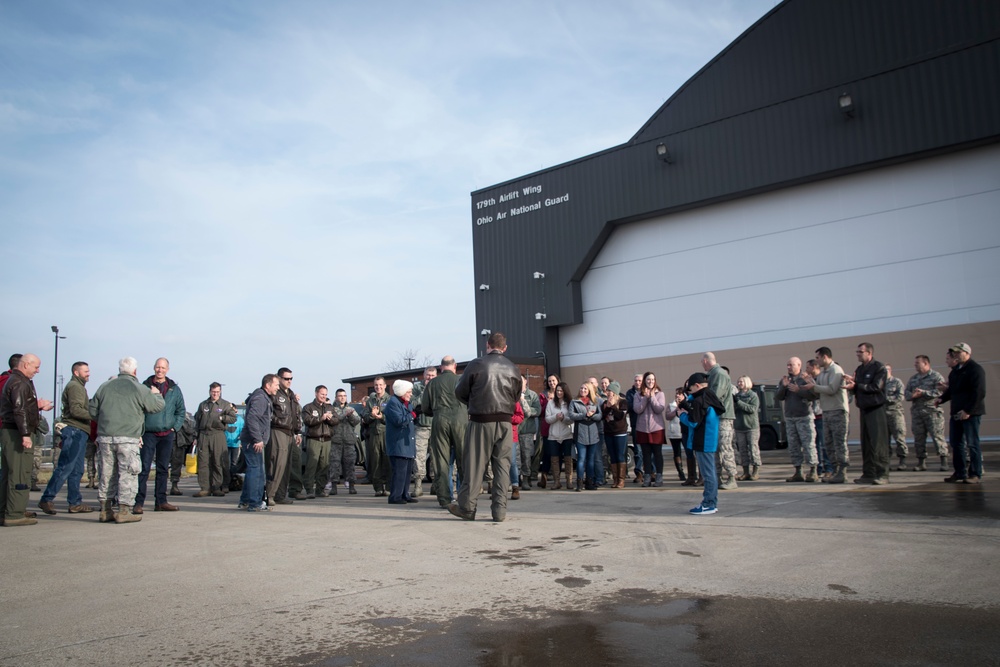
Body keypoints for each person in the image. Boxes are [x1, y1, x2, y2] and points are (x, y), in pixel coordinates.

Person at [449, 332, 521, 522]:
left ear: (487, 345)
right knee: (503, 467)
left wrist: (474, 402)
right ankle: (499, 511)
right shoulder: (513, 368)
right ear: (505, 348)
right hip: (505, 422)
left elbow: (460, 391)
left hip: (481, 420)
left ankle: (467, 508)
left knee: (474, 466)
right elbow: (516, 396)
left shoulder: (477, 364)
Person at [89, 356, 166, 523]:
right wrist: (157, 395)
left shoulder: (104, 387)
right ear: (135, 371)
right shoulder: (138, 388)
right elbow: (156, 407)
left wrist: (105, 422)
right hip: (128, 438)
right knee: (128, 473)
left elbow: (92, 410)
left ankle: (105, 509)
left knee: (106, 473)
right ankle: (124, 510)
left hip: (105, 437)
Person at [0, 354, 54, 527]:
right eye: (36, 367)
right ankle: (15, 513)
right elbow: (19, 410)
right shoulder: (20, 383)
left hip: (11, 431)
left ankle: (6, 510)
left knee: (9, 473)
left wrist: (37, 406)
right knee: (20, 472)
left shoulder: (15, 380)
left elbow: (21, 407)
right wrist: (25, 434)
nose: (38, 371)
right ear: (25, 365)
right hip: (16, 432)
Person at [39, 361, 94, 515]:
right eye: (85, 371)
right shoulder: (75, 387)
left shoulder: (79, 387)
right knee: (66, 466)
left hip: (80, 431)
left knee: (76, 470)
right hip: (74, 430)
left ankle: (75, 503)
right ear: (76, 372)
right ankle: (47, 498)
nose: (88, 373)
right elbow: (76, 410)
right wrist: (95, 416)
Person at [136, 357, 185, 513]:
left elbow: (181, 411)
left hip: (167, 434)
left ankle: (161, 501)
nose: (160, 370)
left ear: (167, 370)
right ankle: (138, 502)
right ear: (154, 368)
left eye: (163, 368)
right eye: (158, 367)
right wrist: (139, 432)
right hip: (149, 433)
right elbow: (138, 410)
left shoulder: (174, 389)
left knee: (163, 469)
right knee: (143, 468)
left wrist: (174, 428)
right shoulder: (144, 387)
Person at [937, 342, 986, 484]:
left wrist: (968, 410)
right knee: (956, 443)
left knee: (972, 443)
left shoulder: (975, 370)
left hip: (970, 413)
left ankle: (975, 473)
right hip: (956, 413)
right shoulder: (956, 371)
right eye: (955, 353)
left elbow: (979, 392)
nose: (956, 355)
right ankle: (960, 472)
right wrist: (941, 399)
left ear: (967, 353)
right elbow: (952, 390)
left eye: (958, 352)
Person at [422, 357, 467, 508]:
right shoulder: (462, 380)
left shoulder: (433, 383)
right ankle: (465, 496)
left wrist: (436, 412)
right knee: (463, 460)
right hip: (461, 421)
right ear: (455, 366)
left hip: (440, 420)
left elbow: (425, 407)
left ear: (441, 368)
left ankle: (444, 499)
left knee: (441, 461)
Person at [843, 342, 889, 485]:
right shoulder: (860, 369)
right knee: (867, 443)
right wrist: (852, 385)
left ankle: (883, 474)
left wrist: (857, 385)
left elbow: (876, 386)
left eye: (860, 352)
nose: (858, 354)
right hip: (864, 408)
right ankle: (868, 473)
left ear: (869, 353)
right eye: (857, 352)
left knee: (878, 443)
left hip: (876, 408)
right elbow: (858, 387)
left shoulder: (879, 368)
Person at [679, 373, 725, 515]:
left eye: (691, 388)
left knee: (708, 474)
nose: (690, 392)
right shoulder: (710, 397)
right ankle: (711, 502)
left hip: (702, 440)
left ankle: (708, 503)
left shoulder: (700, 401)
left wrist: (682, 415)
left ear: (697, 386)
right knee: (710, 472)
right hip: (709, 440)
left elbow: (693, 422)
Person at [805, 347, 850, 484]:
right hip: (827, 411)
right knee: (828, 444)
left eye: (818, 358)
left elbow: (832, 389)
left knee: (839, 443)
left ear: (825, 357)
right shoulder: (823, 373)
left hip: (837, 410)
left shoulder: (835, 370)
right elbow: (818, 392)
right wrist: (811, 386)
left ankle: (842, 471)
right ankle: (835, 470)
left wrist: (813, 387)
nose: (817, 361)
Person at [239, 374, 279, 512]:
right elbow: (252, 418)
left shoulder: (262, 397)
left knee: (253, 470)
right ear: (268, 385)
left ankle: (245, 500)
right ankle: (255, 503)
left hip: (253, 440)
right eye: (276, 385)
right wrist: (258, 439)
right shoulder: (261, 398)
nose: (278, 388)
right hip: (253, 441)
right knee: (256, 472)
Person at [776, 357, 818, 483]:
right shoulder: (785, 380)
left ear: (799, 365)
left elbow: (814, 395)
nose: (789, 367)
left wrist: (799, 390)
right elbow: (778, 396)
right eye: (788, 365)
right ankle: (798, 471)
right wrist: (783, 387)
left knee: (808, 444)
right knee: (794, 446)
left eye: (792, 365)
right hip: (790, 418)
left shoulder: (805, 379)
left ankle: (813, 471)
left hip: (804, 416)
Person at [904, 355, 948, 472]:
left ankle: (944, 461)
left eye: (917, 363)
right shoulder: (913, 379)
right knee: (919, 438)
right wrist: (912, 395)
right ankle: (921, 462)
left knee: (937, 436)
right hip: (917, 412)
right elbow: (906, 394)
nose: (915, 365)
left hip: (932, 412)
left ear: (926, 363)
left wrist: (923, 393)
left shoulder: (936, 376)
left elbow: (940, 392)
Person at [193, 382, 238, 497]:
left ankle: (217, 486)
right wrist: (195, 437)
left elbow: (233, 418)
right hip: (204, 434)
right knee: (203, 462)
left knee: (218, 461)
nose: (215, 394)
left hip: (218, 434)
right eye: (213, 392)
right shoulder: (203, 405)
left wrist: (223, 417)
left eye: (217, 392)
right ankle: (205, 488)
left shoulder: (225, 404)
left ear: (220, 392)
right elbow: (197, 421)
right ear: (210, 392)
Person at [267, 368, 302, 505]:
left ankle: (280, 495)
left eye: (291, 378)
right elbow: (268, 412)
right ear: (279, 379)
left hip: (290, 432)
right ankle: (269, 495)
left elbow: (296, 414)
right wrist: (277, 422)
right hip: (278, 430)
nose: (289, 381)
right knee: (277, 464)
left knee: (288, 465)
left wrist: (297, 432)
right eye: (286, 379)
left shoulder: (291, 395)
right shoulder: (274, 393)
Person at [703, 353, 738, 489]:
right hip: (715, 417)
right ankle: (717, 476)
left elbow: (715, 396)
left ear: (706, 361)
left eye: (702, 362)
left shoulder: (719, 374)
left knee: (724, 447)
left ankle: (731, 477)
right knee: (715, 448)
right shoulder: (713, 374)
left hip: (723, 417)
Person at [385, 380, 418, 505]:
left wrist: (415, 416)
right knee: (399, 472)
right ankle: (395, 496)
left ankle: (404, 494)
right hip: (398, 444)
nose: (410, 394)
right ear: (401, 392)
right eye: (408, 392)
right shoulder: (393, 403)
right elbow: (399, 420)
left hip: (407, 443)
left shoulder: (406, 403)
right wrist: (413, 415)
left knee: (407, 471)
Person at [632, 371, 666, 487]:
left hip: (656, 428)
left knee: (657, 454)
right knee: (645, 455)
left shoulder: (660, 394)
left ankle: (659, 477)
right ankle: (647, 476)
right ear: (644, 381)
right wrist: (645, 398)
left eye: (652, 379)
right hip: (642, 428)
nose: (650, 381)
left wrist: (651, 397)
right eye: (648, 379)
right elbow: (637, 409)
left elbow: (659, 409)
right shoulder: (637, 395)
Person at [569, 380, 603, 491]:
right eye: (581, 388)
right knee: (581, 459)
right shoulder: (574, 402)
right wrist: (584, 415)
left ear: (589, 391)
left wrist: (592, 416)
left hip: (593, 433)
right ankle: (579, 482)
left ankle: (590, 482)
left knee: (591, 459)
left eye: (585, 389)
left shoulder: (595, 401)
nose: (583, 390)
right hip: (581, 433)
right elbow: (571, 415)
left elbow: (599, 416)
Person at [302, 385, 335, 498]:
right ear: (316, 393)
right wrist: (320, 418)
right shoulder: (308, 407)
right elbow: (307, 420)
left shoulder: (329, 407)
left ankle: (320, 489)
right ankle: (309, 489)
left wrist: (330, 419)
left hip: (326, 440)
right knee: (312, 465)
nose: (324, 396)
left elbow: (337, 420)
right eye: (322, 394)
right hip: (314, 439)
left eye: (325, 395)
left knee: (324, 466)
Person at [409, 367, 437, 498]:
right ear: (423, 375)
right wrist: (425, 392)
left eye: (432, 375)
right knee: (419, 457)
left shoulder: (439, 386)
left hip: (436, 426)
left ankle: (435, 484)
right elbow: (413, 403)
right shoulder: (416, 388)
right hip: (421, 426)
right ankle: (418, 485)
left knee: (436, 457)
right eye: (428, 375)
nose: (430, 378)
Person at [362, 377, 391, 497]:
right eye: (376, 385)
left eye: (380, 385)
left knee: (388, 461)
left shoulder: (390, 400)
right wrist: (372, 416)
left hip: (386, 433)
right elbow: (365, 418)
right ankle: (378, 488)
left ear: (385, 385)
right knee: (375, 461)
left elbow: (392, 417)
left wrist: (381, 417)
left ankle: (389, 487)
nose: (378, 387)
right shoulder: (370, 401)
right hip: (374, 434)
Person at [328, 388, 360, 495]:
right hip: (336, 440)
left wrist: (350, 415)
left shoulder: (351, 409)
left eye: (344, 396)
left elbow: (356, 421)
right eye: (340, 396)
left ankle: (351, 485)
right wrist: (343, 416)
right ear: (336, 397)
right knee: (334, 464)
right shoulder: (331, 409)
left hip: (348, 441)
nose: (342, 398)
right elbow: (331, 421)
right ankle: (334, 486)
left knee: (350, 464)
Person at [544, 381, 574, 490]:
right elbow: (547, 419)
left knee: (568, 459)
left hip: (567, 435)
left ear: (565, 391)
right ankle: (557, 482)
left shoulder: (570, 403)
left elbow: (572, 419)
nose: (559, 393)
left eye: (561, 391)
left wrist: (564, 419)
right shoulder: (551, 403)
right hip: (553, 436)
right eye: (557, 391)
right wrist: (556, 417)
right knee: (555, 460)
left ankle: (569, 481)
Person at [601, 382, 629, 488]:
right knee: (612, 456)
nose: (607, 393)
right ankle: (615, 479)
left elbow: (620, 416)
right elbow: (602, 416)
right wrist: (607, 407)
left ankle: (621, 480)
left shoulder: (623, 402)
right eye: (607, 391)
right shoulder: (604, 403)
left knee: (620, 455)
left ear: (614, 392)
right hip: (608, 432)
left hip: (620, 433)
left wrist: (612, 406)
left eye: (610, 391)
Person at [733, 375, 761, 481]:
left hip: (751, 427)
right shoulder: (737, 396)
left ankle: (756, 470)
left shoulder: (752, 395)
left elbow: (752, 409)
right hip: (740, 427)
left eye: (742, 382)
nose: (739, 383)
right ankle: (745, 471)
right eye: (739, 381)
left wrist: (738, 403)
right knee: (742, 450)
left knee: (753, 449)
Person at [517, 375, 541, 490]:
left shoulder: (532, 395)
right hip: (515, 430)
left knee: (526, 456)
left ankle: (526, 478)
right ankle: (517, 479)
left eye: (521, 380)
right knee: (515, 457)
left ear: (525, 381)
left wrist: (524, 404)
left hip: (527, 431)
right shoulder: (512, 394)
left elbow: (537, 411)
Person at [536, 374, 559, 488]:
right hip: (547, 428)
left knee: (559, 453)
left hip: (560, 427)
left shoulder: (562, 394)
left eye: (553, 381)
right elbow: (539, 412)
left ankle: (557, 478)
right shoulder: (543, 395)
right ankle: (544, 478)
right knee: (547, 453)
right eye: (549, 381)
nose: (552, 383)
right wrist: (547, 403)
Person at [884, 365, 908, 470]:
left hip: (895, 413)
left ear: (890, 370)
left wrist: (885, 399)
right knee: (885, 440)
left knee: (899, 437)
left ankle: (902, 461)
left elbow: (900, 397)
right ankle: (887, 462)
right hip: (883, 414)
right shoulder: (880, 383)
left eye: (886, 370)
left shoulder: (896, 382)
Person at [168, 411, 197, 496]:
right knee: (172, 465)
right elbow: (190, 429)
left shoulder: (182, 415)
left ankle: (173, 485)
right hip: (173, 442)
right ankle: (171, 486)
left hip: (178, 442)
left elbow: (189, 429)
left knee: (175, 465)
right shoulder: (182, 415)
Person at [625, 373, 644, 484]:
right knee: (637, 451)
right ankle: (639, 473)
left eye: (640, 380)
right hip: (635, 424)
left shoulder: (647, 392)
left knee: (648, 451)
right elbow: (630, 406)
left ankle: (651, 472)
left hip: (647, 425)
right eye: (636, 380)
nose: (637, 382)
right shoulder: (630, 393)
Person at [664, 388, 687, 482]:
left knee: (689, 451)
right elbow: (668, 416)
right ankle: (680, 472)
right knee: (676, 452)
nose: (677, 395)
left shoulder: (687, 404)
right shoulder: (671, 405)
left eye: (680, 394)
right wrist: (676, 409)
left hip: (685, 431)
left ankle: (692, 473)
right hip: (674, 432)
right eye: (676, 394)